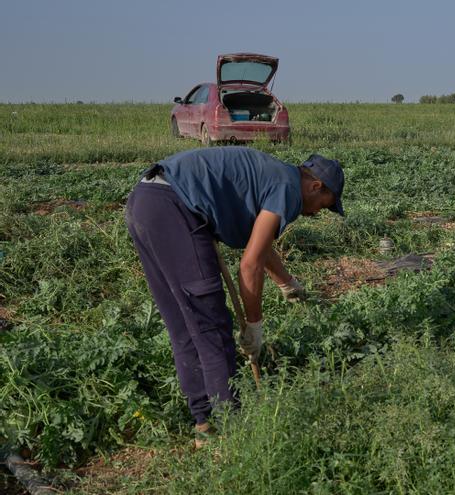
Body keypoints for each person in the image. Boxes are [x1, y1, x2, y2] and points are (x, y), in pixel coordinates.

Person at [124, 146, 344, 442]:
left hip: (147, 201)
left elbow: (260, 246)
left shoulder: (275, 176)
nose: (316, 212)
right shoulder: (288, 189)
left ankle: (205, 424)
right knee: (211, 325)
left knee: (186, 325)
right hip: (175, 208)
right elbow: (250, 263)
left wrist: (287, 283)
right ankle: (232, 429)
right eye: (323, 205)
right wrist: (254, 324)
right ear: (315, 185)